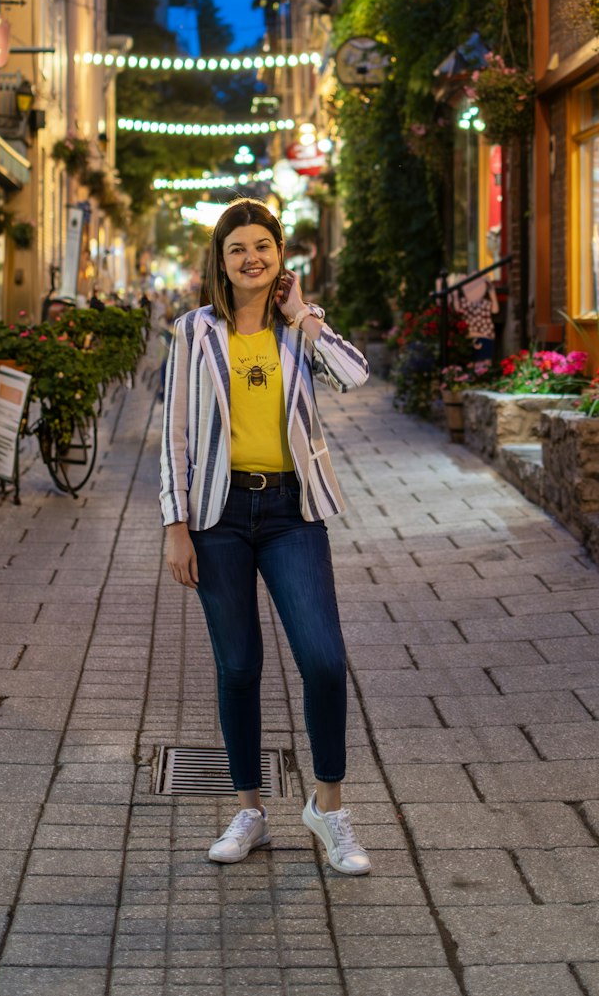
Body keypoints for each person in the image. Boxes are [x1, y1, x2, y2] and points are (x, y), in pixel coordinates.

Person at [160, 198, 372, 875]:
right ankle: (250, 808)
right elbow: (176, 438)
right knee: (239, 666)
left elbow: (357, 375)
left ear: (281, 257)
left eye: (263, 246)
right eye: (237, 248)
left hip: (290, 513)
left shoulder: (296, 329)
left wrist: (303, 313)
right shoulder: (194, 332)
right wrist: (176, 526)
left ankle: (329, 807)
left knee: (323, 658)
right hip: (217, 517)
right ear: (219, 261)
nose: (251, 258)